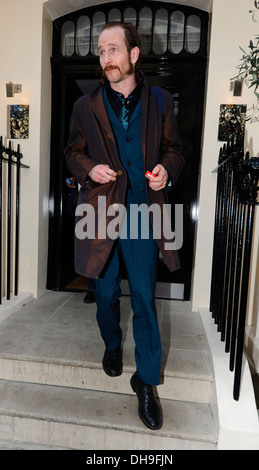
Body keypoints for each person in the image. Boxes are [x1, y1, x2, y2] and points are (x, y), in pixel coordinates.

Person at [64, 21, 184, 430]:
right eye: (100, 51)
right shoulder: (85, 106)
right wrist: (88, 168)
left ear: (133, 54)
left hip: (145, 211)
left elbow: (175, 150)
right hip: (99, 211)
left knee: (146, 300)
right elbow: (72, 152)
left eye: (112, 49)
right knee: (104, 291)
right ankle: (113, 345)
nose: (105, 58)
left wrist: (167, 170)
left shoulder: (161, 100)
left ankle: (146, 383)